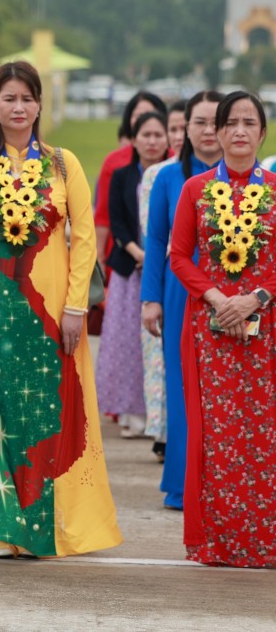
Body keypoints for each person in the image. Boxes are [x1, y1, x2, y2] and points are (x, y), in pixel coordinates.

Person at [0, 61, 122, 558]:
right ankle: (2, 529)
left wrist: (76, 307)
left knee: (51, 415)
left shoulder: (63, 164)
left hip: (52, 316)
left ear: (40, 105)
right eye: (9, 98)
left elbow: (85, 238)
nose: (18, 107)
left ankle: (52, 526)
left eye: (27, 98)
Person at [169, 91, 276, 568]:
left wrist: (256, 299)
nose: (237, 131)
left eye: (248, 123)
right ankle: (217, 540)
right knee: (214, 432)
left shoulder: (274, 189)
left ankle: (266, 540)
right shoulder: (195, 189)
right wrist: (217, 300)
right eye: (229, 122)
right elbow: (177, 255)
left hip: (268, 328)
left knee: (264, 430)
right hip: (210, 331)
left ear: (261, 132)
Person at [142, 90, 224, 511]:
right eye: (200, 123)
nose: (209, 131)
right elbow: (156, 240)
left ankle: (228, 479)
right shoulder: (168, 179)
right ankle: (183, 483)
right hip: (180, 293)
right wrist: (150, 298)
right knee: (182, 386)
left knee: (228, 389)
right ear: (185, 128)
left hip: (233, 295)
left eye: (217, 122)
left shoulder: (253, 180)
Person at [97, 112, 170, 438]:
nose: (152, 141)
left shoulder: (171, 174)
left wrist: (158, 256)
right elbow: (117, 221)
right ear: (133, 139)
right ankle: (131, 414)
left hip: (167, 266)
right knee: (126, 343)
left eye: (158, 135)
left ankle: (157, 413)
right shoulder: (123, 175)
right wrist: (139, 254)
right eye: (146, 135)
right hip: (129, 267)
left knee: (156, 344)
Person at [138, 100, 187, 457]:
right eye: (175, 129)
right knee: (161, 360)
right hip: (170, 272)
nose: (181, 134)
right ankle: (164, 432)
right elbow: (151, 232)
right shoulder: (159, 174)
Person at [94, 92, 168, 267]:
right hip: (123, 254)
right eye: (139, 116)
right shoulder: (114, 162)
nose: (146, 119)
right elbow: (104, 214)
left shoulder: (175, 162)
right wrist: (99, 255)